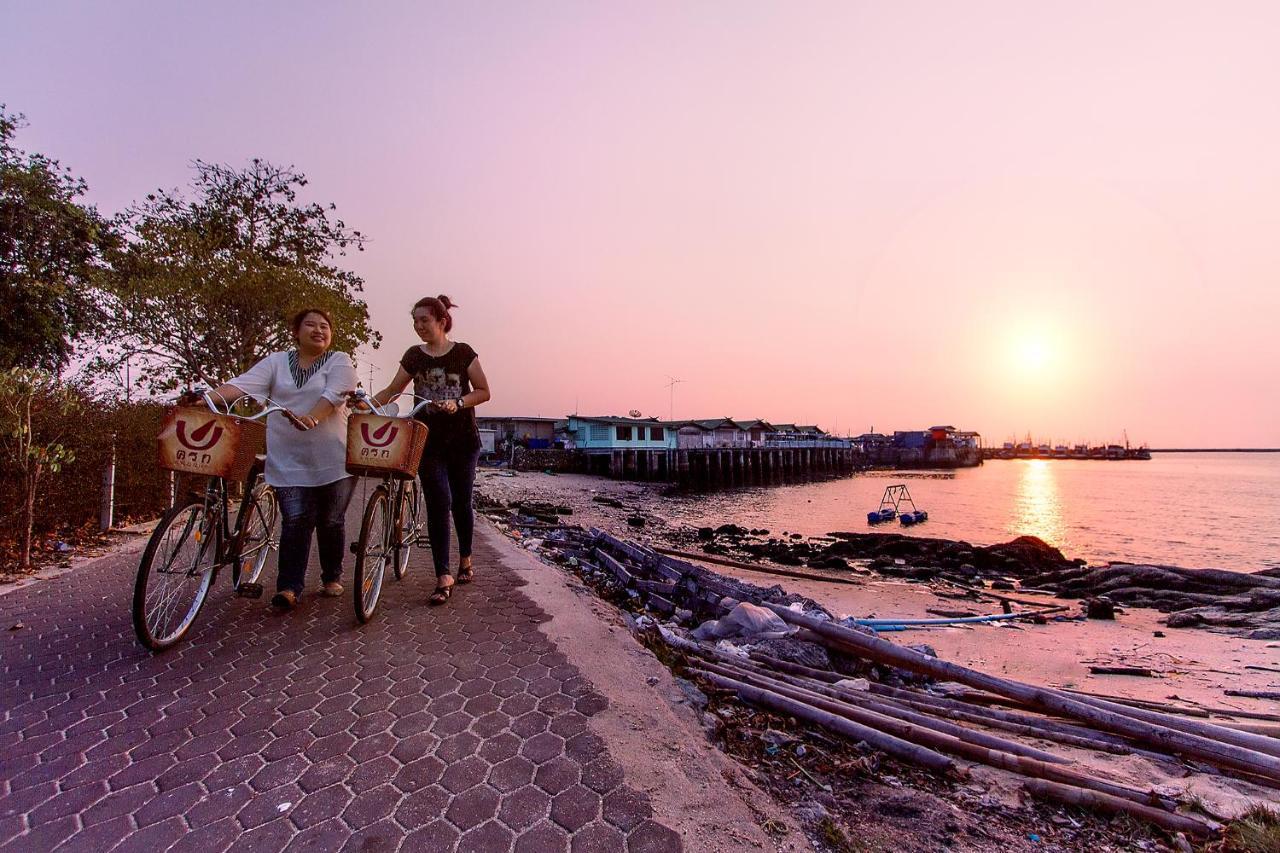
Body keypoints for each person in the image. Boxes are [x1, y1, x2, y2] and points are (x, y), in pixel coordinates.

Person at [204, 308, 359, 610]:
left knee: (330, 521)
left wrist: (313, 418)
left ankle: (331, 575)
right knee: (296, 521)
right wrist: (209, 398)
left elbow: (335, 393)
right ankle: (289, 586)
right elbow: (243, 384)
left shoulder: (340, 361)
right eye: (310, 325)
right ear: (296, 332)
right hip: (288, 458)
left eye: (325, 326)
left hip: (334, 458)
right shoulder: (277, 362)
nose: (318, 330)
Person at [366, 295, 491, 605]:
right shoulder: (414, 356)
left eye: (424, 320)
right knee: (437, 501)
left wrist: (459, 402)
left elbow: (484, 391)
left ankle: (465, 558)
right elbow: (394, 389)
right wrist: (369, 403)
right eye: (415, 321)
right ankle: (443, 575)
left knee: (460, 502)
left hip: (463, 440)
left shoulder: (463, 353)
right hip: (426, 439)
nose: (419, 326)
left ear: (441, 321)